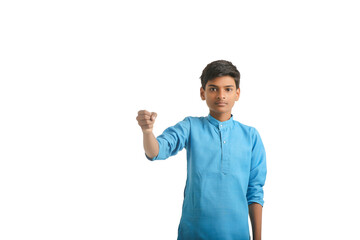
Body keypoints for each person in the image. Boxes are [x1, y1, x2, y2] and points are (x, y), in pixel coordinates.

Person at [136, 60, 267, 240]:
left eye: (228, 89)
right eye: (213, 89)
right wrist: (147, 132)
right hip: (194, 234)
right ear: (202, 93)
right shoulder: (190, 127)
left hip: (237, 235)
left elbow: (255, 192)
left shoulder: (251, 136)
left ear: (237, 93)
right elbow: (156, 151)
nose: (221, 95)